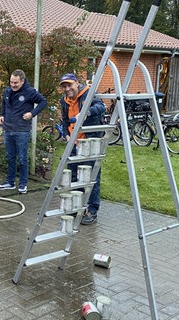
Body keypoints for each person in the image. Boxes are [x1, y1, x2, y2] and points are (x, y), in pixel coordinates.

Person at [59, 73, 106, 225]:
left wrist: (85, 113)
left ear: (76, 83)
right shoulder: (64, 101)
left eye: (69, 85)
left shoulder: (88, 94)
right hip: (73, 143)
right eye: (64, 86)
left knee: (92, 179)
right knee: (74, 177)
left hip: (90, 143)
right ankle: (75, 207)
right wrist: (66, 136)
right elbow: (65, 121)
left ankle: (92, 210)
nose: (67, 88)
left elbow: (101, 107)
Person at [0, 69, 47, 194]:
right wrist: (2, 114)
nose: (13, 85)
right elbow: (4, 103)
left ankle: (23, 184)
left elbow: (43, 102)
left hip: (22, 131)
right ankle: (10, 182)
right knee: (10, 157)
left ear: (22, 81)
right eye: (11, 82)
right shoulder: (8, 91)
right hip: (8, 129)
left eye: (16, 83)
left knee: (23, 158)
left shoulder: (29, 92)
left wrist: (32, 113)